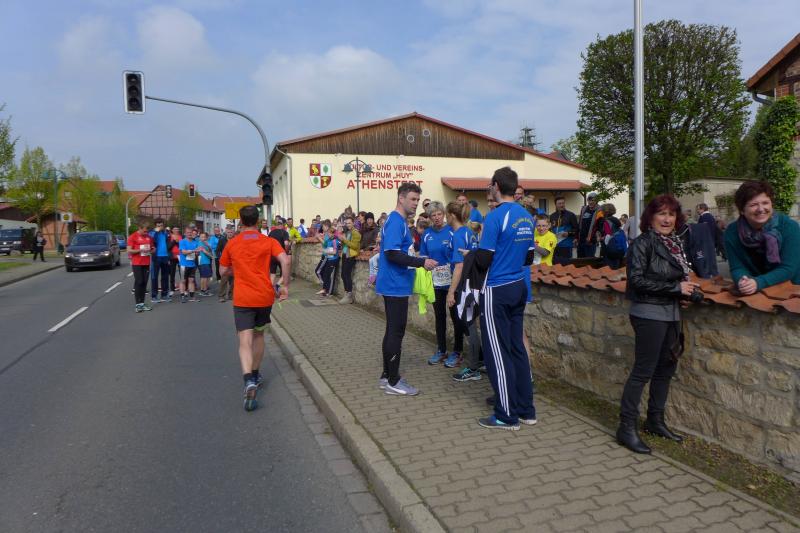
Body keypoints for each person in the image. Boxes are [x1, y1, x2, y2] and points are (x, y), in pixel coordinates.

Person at [618, 194, 700, 454]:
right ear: (650, 217)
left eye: (671, 214)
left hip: (671, 314)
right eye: (661, 213)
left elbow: (679, 278)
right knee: (643, 371)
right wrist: (675, 289)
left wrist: (686, 294)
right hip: (648, 313)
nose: (667, 219)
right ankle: (626, 428)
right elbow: (637, 281)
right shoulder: (642, 243)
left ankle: (655, 420)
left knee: (665, 369)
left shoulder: (676, 243)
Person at [474, 167, 536, 430]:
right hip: (518, 285)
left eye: (491, 185)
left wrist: (472, 253)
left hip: (497, 288)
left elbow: (484, 259)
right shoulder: (526, 215)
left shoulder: (495, 216)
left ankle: (506, 415)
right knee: (516, 348)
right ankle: (526, 410)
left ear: (496, 186)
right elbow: (529, 257)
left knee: (497, 353)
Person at [219, 205, 291, 412]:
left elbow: (222, 270)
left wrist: (237, 271)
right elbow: (285, 261)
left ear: (241, 221)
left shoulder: (232, 243)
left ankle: (248, 380)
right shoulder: (268, 241)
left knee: (245, 340)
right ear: (258, 221)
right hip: (264, 297)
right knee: (259, 336)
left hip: (242, 298)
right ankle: (256, 373)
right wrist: (284, 286)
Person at [376, 182, 438, 396]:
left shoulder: (398, 221)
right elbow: (392, 254)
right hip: (395, 285)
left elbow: (400, 252)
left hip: (396, 284)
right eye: (412, 199)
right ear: (401, 198)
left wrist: (417, 259)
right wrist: (421, 262)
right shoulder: (395, 221)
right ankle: (394, 381)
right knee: (396, 332)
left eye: (418, 200)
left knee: (392, 330)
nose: (416, 203)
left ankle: (387, 376)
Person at [724, 180, 800, 293]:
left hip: (791, 289)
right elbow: (737, 267)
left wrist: (759, 282)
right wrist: (742, 280)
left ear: (771, 204)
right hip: (756, 291)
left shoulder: (789, 227)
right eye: (753, 205)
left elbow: (788, 268)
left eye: (765, 203)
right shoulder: (732, 232)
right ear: (742, 210)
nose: (760, 209)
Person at [420, 201, 464, 368]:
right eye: (433, 215)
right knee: (439, 317)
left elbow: (459, 256)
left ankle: (458, 352)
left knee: (456, 316)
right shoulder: (427, 234)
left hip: (452, 281)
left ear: (444, 215)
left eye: (439, 214)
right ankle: (441, 350)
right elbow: (423, 256)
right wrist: (427, 263)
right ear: (429, 217)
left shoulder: (452, 231)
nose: (437, 217)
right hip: (436, 282)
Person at [446, 201, 482, 383]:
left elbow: (459, 266)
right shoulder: (469, 232)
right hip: (474, 283)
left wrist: (451, 292)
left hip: (466, 284)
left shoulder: (459, 234)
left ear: (452, 215)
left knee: (469, 325)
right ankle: (480, 361)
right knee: (471, 323)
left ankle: (474, 368)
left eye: (446, 214)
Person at [127, 221, 155, 313]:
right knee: (139, 282)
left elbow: (153, 248)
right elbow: (129, 250)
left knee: (144, 283)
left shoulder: (149, 237)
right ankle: (137, 305)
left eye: (147, 231)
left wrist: (152, 250)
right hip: (137, 263)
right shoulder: (133, 236)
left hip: (146, 262)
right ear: (139, 228)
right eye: (144, 231)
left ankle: (142, 303)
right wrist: (140, 250)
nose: (146, 233)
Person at [338, 215, 361, 304]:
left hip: (351, 256)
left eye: (349, 223)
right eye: (346, 223)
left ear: (353, 223)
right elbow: (345, 244)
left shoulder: (356, 233)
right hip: (345, 255)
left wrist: (344, 240)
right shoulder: (347, 232)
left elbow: (355, 246)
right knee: (343, 275)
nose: (348, 225)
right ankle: (346, 293)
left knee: (346, 275)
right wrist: (341, 240)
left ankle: (349, 296)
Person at [549, 196, 578, 265]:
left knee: (566, 265)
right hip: (555, 246)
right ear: (555, 205)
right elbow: (550, 229)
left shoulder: (571, 215)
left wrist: (568, 233)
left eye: (563, 203)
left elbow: (577, 229)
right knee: (556, 265)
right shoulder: (552, 216)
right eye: (559, 203)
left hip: (566, 246)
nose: (561, 205)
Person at [149, 219, 172, 303]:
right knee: (154, 277)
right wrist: (156, 231)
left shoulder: (165, 233)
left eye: (161, 225)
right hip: (156, 257)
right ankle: (154, 296)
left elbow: (169, 243)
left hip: (165, 256)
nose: (160, 227)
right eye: (158, 226)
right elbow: (150, 239)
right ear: (155, 226)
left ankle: (164, 295)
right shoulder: (152, 232)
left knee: (165, 277)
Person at [178, 226, 201, 303]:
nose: (189, 234)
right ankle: (182, 296)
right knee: (183, 281)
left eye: (190, 232)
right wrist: (194, 251)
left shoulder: (195, 242)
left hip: (192, 264)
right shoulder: (182, 241)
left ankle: (192, 296)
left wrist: (198, 252)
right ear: (185, 233)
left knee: (191, 280)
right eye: (188, 233)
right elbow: (183, 252)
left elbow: (197, 253)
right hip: (184, 264)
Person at [598, 203, 624, 269]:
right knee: (616, 268)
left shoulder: (607, 221)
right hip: (618, 248)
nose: (601, 212)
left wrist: (601, 238)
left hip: (609, 250)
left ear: (605, 211)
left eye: (602, 210)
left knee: (608, 269)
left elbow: (608, 235)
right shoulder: (616, 220)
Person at [318, 223, 340, 298]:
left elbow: (334, 252)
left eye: (330, 233)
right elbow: (325, 246)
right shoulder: (329, 240)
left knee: (330, 276)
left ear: (333, 234)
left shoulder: (335, 241)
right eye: (328, 233)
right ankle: (325, 290)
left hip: (333, 260)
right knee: (326, 275)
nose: (329, 235)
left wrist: (325, 251)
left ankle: (330, 292)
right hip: (329, 259)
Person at [268, 218, 291, 289]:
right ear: (283, 225)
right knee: (285, 273)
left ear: (276, 225)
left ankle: (270, 288)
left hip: (272, 255)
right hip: (281, 255)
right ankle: (277, 285)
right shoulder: (284, 232)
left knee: (272, 273)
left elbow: (268, 243)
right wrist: (286, 252)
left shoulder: (271, 233)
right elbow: (286, 243)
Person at [577, 192, 601, 258]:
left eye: (593, 200)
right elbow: (580, 223)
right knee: (580, 259)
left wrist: (594, 237)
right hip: (581, 239)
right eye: (589, 200)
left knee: (589, 259)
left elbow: (599, 226)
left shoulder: (599, 211)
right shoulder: (584, 209)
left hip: (591, 240)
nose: (590, 202)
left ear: (596, 201)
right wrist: (577, 237)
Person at [217, 226, 234, 302]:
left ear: (233, 233)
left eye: (231, 232)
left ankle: (231, 295)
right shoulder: (222, 240)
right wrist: (220, 258)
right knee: (224, 280)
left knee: (233, 281)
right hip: (225, 263)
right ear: (226, 232)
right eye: (229, 232)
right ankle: (221, 296)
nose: (230, 234)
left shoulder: (236, 240)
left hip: (233, 263)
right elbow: (217, 250)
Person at [197, 231, 214, 296]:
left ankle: (203, 290)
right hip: (203, 261)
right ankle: (204, 290)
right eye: (202, 237)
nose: (203, 238)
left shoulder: (206, 243)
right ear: (199, 238)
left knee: (204, 277)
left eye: (204, 237)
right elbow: (205, 252)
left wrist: (208, 245)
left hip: (206, 261)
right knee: (205, 277)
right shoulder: (200, 243)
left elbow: (210, 250)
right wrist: (212, 256)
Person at [168, 227, 182, 294]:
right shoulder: (169, 237)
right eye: (175, 229)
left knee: (182, 273)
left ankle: (183, 287)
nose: (177, 230)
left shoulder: (181, 236)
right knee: (172, 273)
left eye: (178, 229)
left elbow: (182, 246)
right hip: (172, 257)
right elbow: (168, 247)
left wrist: (178, 242)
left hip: (180, 257)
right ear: (172, 230)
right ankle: (172, 289)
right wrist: (174, 241)